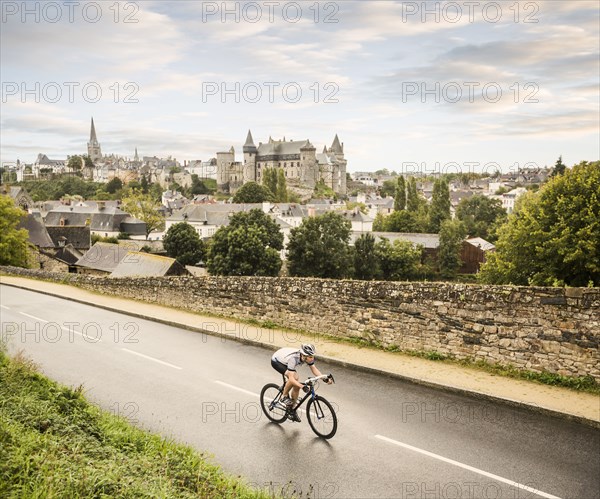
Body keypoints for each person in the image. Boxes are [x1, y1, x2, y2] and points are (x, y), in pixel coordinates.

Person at [270, 343, 331, 422]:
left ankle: (292, 410)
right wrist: (302, 387)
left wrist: (324, 378)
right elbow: (291, 379)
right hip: (277, 361)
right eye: (310, 357)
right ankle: (283, 397)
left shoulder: (307, 357)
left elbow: (314, 369)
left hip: (285, 357)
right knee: (295, 378)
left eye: (313, 356)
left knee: (297, 385)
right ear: (304, 356)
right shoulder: (293, 359)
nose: (312, 358)